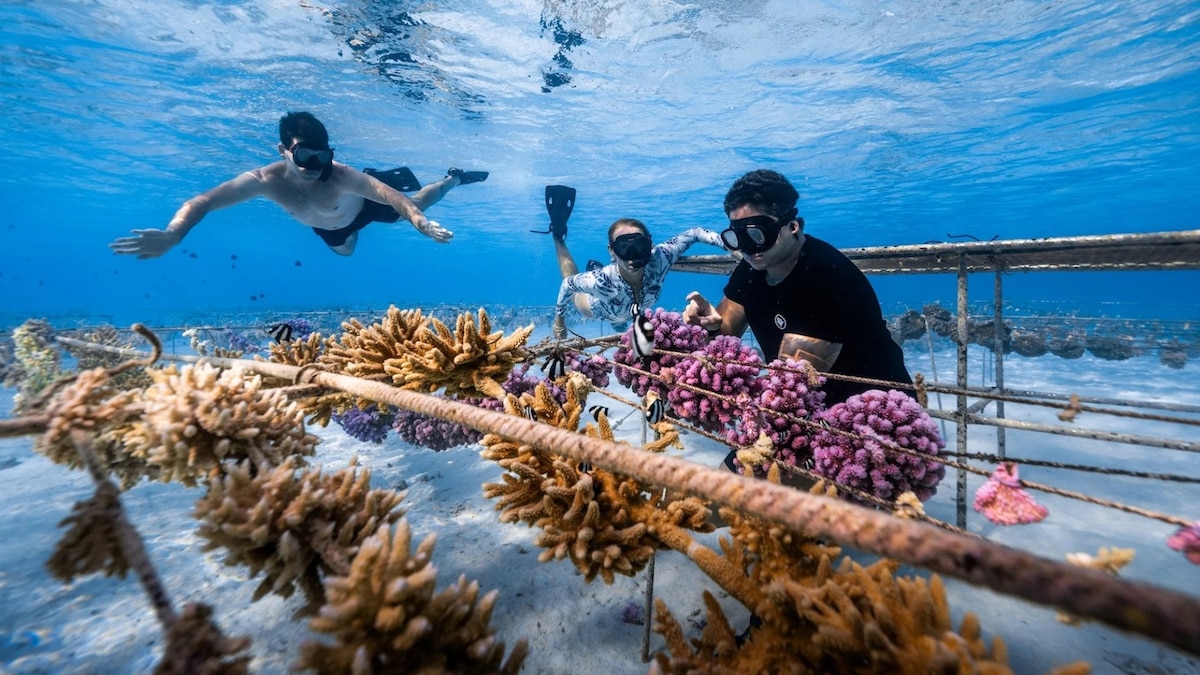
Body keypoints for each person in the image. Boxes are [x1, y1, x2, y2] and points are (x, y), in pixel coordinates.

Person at [108, 111, 488, 258]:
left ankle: (453, 177)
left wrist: (420, 223)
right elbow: (202, 201)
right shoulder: (265, 181)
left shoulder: (340, 175)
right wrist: (174, 233)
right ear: (283, 151)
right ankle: (357, 230)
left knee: (415, 202)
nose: (315, 167)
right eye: (306, 156)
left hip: (363, 203)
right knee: (346, 253)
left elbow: (389, 196)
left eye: (323, 157)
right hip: (331, 226)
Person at [682, 169, 911, 405]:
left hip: (876, 408)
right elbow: (724, 335)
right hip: (807, 406)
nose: (748, 248)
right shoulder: (752, 269)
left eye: (756, 235)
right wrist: (709, 326)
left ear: (792, 226)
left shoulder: (828, 277)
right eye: (738, 237)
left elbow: (792, 382)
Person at [542, 185, 726, 339]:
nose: (632, 256)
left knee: (621, 324)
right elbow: (568, 284)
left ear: (650, 244)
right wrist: (559, 321)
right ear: (612, 250)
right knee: (575, 290)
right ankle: (558, 237)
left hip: (627, 309)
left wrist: (729, 244)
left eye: (638, 246)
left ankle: (615, 305)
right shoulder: (599, 281)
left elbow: (694, 233)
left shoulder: (660, 258)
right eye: (623, 248)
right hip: (596, 307)